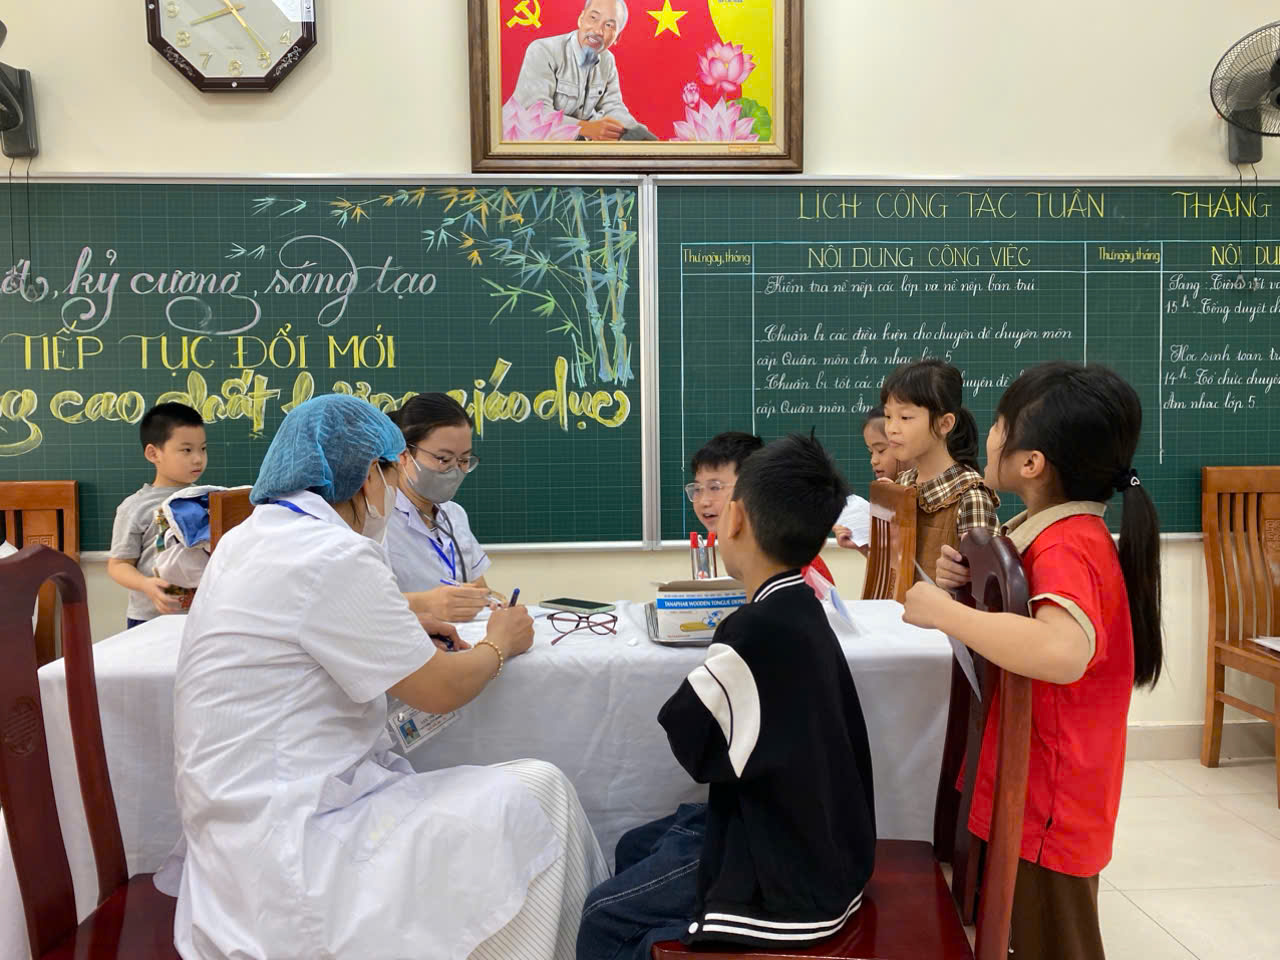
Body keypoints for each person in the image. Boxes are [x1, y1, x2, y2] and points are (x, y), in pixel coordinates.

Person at [171, 394, 607, 960]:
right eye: (392, 471)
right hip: (297, 848)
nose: (395, 488)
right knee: (541, 793)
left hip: (239, 837)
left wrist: (400, 623)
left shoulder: (251, 538)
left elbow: (303, 629)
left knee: (498, 807)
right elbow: (441, 688)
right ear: (365, 475)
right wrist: (500, 645)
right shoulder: (334, 553)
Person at [578, 433, 876, 960]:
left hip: (782, 863)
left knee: (603, 917)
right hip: (819, 837)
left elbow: (694, 741)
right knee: (632, 845)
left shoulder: (756, 628)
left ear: (735, 518)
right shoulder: (797, 604)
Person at [903, 362, 1164, 960]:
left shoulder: (1068, 544)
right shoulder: (1050, 534)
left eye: (1000, 426)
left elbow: (1061, 650)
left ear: (1032, 463)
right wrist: (966, 587)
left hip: (1052, 798)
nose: (990, 435)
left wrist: (946, 614)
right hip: (1039, 781)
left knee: (1054, 938)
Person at [881, 360, 999, 582]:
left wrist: (966, 577)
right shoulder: (902, 483)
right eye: (888, 416)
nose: (891, 429)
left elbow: (988, 586)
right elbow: (899, 569)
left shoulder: (970, 496)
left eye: (905, 418)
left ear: (945, 424)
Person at [385, 393, 497, 622]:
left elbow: (480, 590)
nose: (455, 470)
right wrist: (426, 604)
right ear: (404, 454)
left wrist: (492, 601)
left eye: (464, 460)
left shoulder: (454, 514)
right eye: (444, 459)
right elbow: (358, 605)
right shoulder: (376, 518)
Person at [687, 431, 838, 588]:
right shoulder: (744, 557)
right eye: (697, 489)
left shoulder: (790, 561)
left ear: (753, 487)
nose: (704, 501)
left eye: (715, 487)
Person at [107, 402, 207, 629]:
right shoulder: (135, 507)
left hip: (201, 616)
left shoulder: (207, 499)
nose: (198, 459)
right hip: (150, 618)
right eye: (187, 450)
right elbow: (118, 564)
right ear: (153, 453)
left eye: (203, 448)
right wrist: (146, 585)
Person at [510, 0, 657, 141]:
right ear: (581, 19)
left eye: (609, 25)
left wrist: (639, 135)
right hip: (516, 142)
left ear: (617, 37)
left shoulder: (607, 60)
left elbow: (612, 107)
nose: (598, 31)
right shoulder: (543, 50)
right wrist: (585, 128)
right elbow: (534, 113)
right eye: (593, 18)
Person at [833, 405, 903, 555]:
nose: (874, 460)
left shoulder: (920, 493)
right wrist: (863, 545)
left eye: (881, 450)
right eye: (871, 452)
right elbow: (889, 563)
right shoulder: (885, 495)